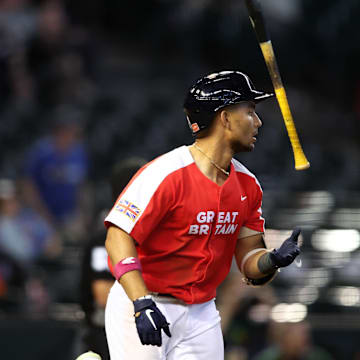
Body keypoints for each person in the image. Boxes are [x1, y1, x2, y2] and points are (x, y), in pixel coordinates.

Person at [104, 70, 301, 360]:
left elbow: (249, 263)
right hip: (144, 302)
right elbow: (118, 237)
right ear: (224, 118)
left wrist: (272, 260)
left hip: (202, 312)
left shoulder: (248, 185)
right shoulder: (165, 174)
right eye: (250, 112)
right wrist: (140, 301)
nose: (258, 122)